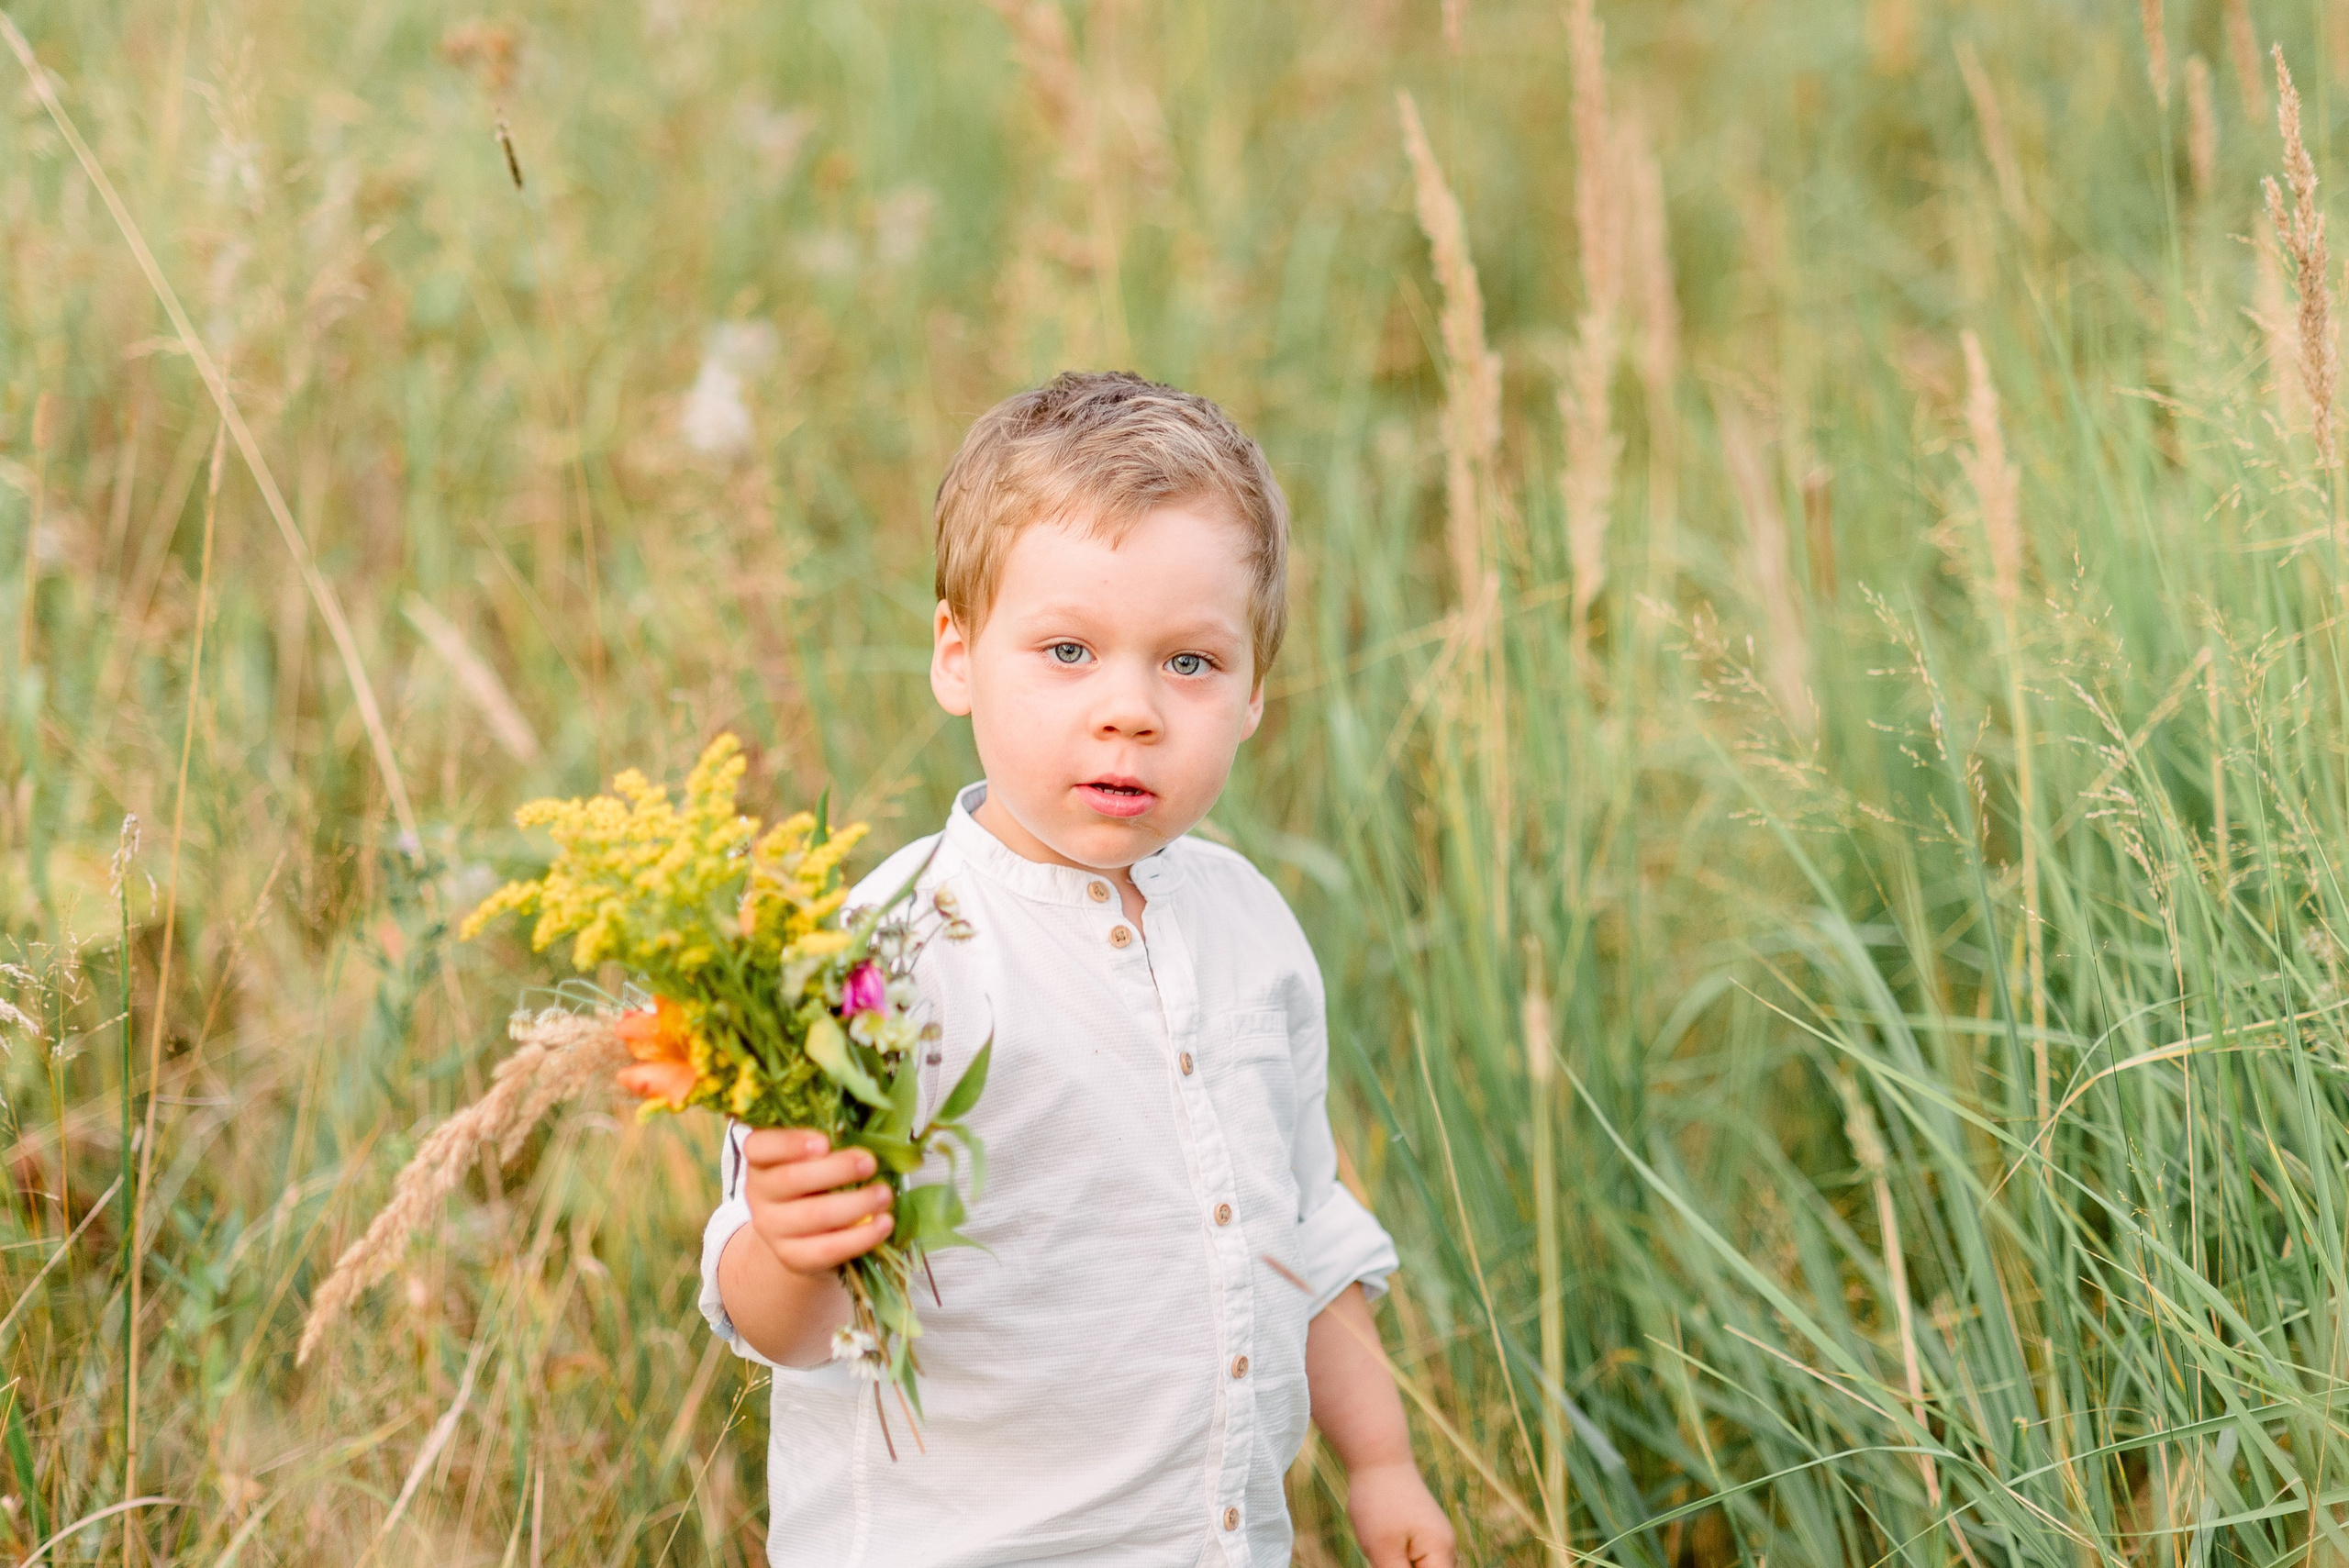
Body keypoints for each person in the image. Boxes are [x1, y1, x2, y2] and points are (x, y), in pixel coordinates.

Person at [699, 371, 1456, 1566]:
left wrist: (1384, 1461)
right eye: (1067, 649)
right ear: (957, 654)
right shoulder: (884, 951)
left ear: (1256, 688)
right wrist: (793, 1245)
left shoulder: (1250, 925)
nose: (1130, 710)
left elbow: (1304, 1229)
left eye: (1191, 664)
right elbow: (777, 1323)